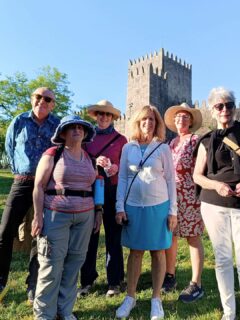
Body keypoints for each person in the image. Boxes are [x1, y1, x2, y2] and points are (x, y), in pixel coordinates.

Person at [193, 87, 240, 320]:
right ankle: (229, 313)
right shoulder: (206, 140)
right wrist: (216, 186)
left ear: (235, 108)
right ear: (213, 111)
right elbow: (197, 176)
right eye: (219, 106)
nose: (224, 109)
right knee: (223, 260)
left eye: (228, 105)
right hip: (214, 205)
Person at [31, 115, 101, 320]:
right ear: (62, 133)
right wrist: (37, 216)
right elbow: (38, 186)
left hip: (84, 217)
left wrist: (98, 211)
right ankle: (44, 313)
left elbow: (96, 186)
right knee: (51, 263)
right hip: (56, 214)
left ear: (85, 133)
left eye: (81, 127)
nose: (77, 130)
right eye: (72, 128)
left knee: (74, 264)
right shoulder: (53, 154)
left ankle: (64, 310)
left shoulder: (90, 158)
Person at [115, 105, 177, 320]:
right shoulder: (128, 148)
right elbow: (122, 178)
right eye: (144, 120)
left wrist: (172, 211)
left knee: (158, 251)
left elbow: (170, 180)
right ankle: (130, 297)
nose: (148, 123)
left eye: (152, 120)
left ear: (157, 124)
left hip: (159, 206)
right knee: (135, 252)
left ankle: (156, 299)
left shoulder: (162, 149)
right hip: (133, 206)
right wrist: (119, 207)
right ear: (138, 123)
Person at [0, 87, 60, 303]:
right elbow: (9, 146)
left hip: (45, 185)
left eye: (47, 99)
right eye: (38, 97)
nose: (42, 101)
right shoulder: (19, 121)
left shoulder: (57, 125)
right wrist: (19, 170)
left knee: (40, 233)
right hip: (22, 182)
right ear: (31, 99)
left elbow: (61, 152)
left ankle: (33, 284)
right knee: (5, 231)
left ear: (53, 104)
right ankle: (1, 281)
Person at [77, 100, 127, 298]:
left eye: (108, 115)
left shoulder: (122, 140)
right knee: (90, 236)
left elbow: (127, 167)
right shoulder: (87, 138)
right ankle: (87, 280)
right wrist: (93, 161)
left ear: (113, 117)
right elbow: (78, 158)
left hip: (112, 190)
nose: (104, 117)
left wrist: (116, 167)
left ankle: (114, 281)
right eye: (100, 114)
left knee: (114, 237)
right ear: (96, 116)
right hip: (91, 190)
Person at [162, 102, 205, 303]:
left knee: (193, 237)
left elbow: (202, 168)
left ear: (191, 121)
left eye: (185, 116)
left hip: (191, 195)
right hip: (171, 196)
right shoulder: (171, 143)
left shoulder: (196, 140)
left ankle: (196, 282)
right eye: (178, 116)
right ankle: (169, 276)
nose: (181, 119)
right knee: (171, 235)